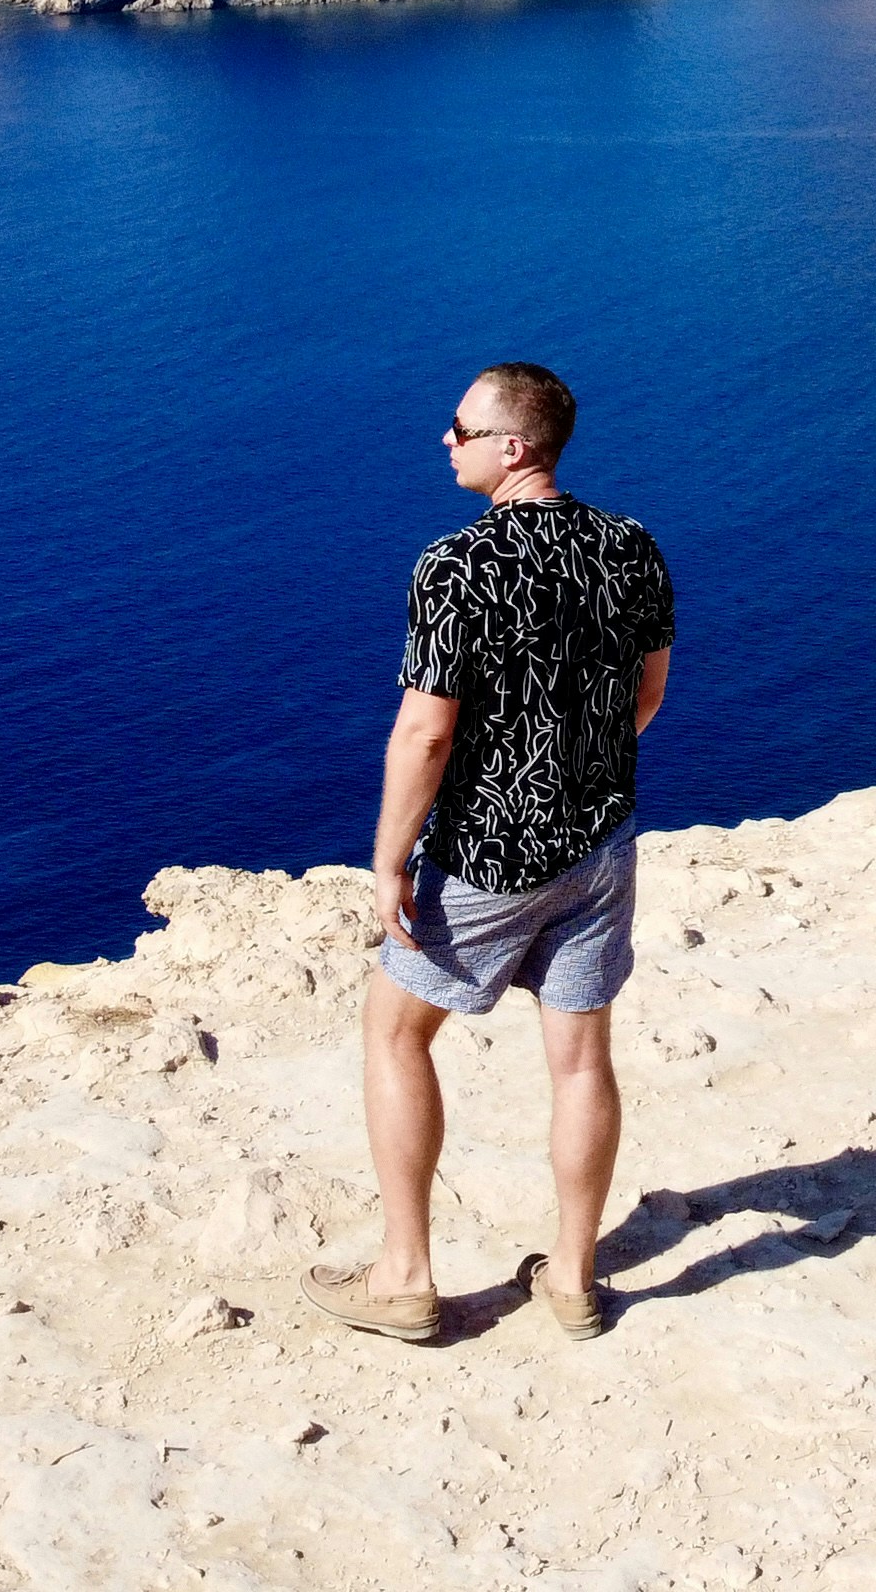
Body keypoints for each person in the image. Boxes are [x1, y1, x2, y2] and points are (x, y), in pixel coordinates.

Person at [307, 361, 674, 1345]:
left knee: (394, 1033)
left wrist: (390, 858)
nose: (445, 439)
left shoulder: (455, 566)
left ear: (512, 447)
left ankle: (405, 1277)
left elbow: (425, 734)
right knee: (580, 1060)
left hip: (489, 856)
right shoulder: (629, 545)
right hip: (600, 844)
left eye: (459, 427)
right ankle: (574, 1279)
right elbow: (647, 696)